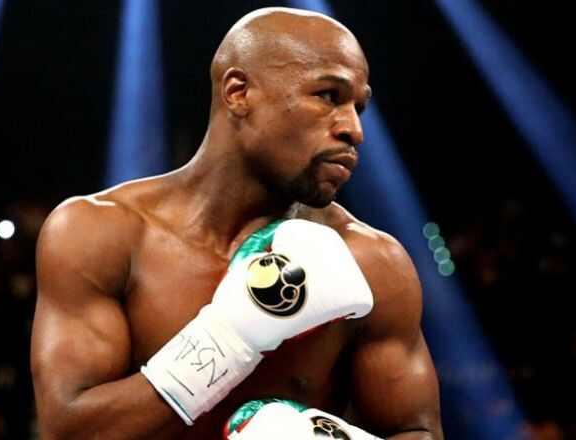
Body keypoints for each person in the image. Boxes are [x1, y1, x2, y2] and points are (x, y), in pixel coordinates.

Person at [31, 7, 443, 439]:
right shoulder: (100, 234)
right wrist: (230, 339)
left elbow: (416, 430)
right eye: (328, 96)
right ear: (239, 92)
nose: (354, 130)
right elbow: (68, 431)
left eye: (358, 107)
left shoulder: (371, 263)